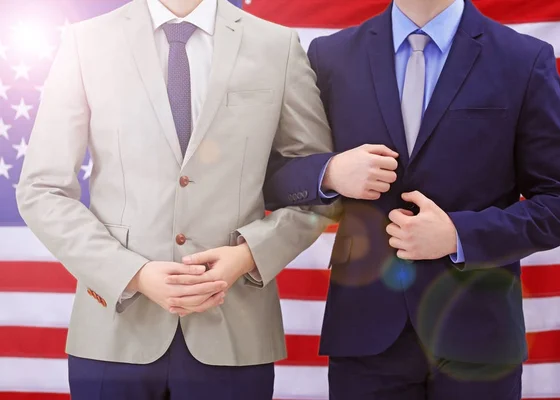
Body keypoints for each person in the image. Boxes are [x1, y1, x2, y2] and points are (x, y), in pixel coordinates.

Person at [15, 0, 347, 398]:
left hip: (234, 327)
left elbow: (317, 191)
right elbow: (41, 188)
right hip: (113, 329)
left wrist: (246, 256)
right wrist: (131, 273)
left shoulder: (276, 45)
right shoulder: (86, 42)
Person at [263, 0, 560, 398]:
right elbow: (273, 176)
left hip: (479, 336)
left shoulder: (522, 59)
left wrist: (459, 235)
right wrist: (329, 172)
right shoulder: (331, 56)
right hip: (365, 334)